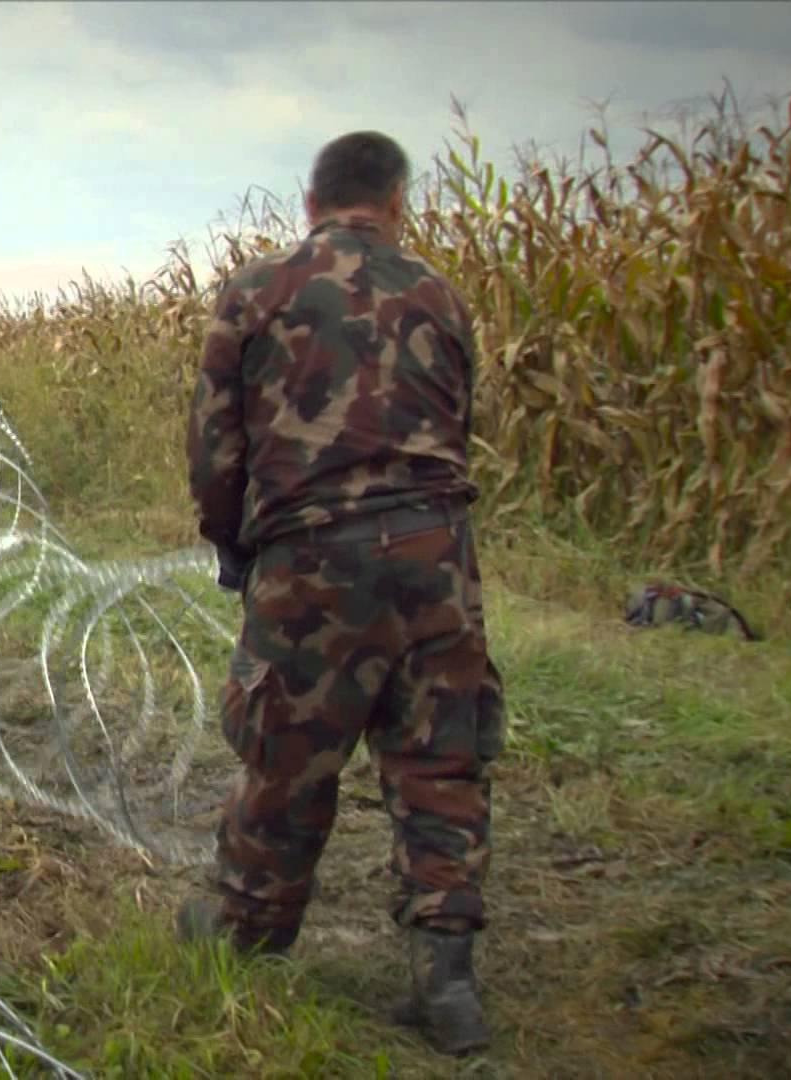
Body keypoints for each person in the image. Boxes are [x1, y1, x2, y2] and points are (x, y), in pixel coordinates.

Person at [178, 131, 504, 1057]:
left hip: (313, 558)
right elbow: (460, 427)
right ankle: (448, 982)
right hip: (438, 557)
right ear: (397, 202)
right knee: (441, 762)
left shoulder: (257, 289)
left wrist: (233, 544)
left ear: (309, 202)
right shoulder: (440, 293)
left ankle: (246, 937)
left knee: (287, 752)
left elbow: (214, 448)